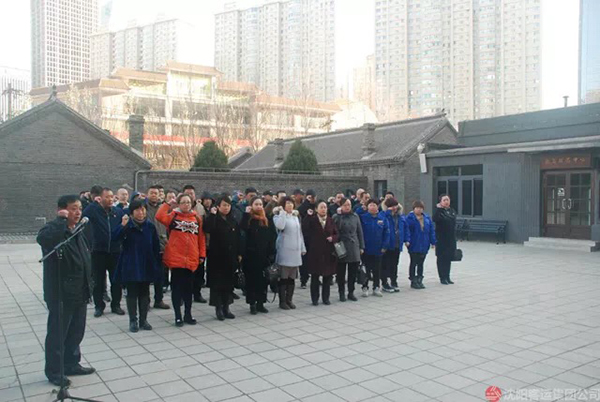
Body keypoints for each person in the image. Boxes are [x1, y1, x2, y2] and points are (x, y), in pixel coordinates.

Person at [37, 195, 96, 387]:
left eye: (79, 208)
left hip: (79, 290)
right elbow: (43, 239)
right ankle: (54, 371)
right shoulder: (55, 230)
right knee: (58, 334)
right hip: (61, 293)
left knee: (76, 331)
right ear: (62, 210)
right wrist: (60, 221)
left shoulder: (78, 230)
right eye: (73, 209)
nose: (78, 212)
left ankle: (71, 363)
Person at [156, 194, 206, 326]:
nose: (186, 205)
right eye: (183, 202)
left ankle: (188, 314)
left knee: (188, 289)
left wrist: (202, 255)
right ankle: (178, 316)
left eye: (188, 202)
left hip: (191, 258)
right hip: (176, 258)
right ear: (178, 204)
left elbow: (201, 238)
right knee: (177, 288)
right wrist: (168, 204)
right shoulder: (173, 216)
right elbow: (159, 216)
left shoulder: (196, 218)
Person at [112, 199, 161, 332]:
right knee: (132, 293)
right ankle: (133, 320)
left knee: (145, 293)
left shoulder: (150, 226)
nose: (141, 212)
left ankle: (143, 320)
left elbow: (155, 246)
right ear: (132, 212)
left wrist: (156, 263)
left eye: (143, 209)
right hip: (131, 263)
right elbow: (114, 238)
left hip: (146, 263)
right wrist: (122, 226)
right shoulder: (127, 225)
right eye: (138, 210)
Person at [83, 188, 125, 317]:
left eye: (112, 197)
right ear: (100, 198)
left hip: (115, 251)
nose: (110, 199)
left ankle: (116, 305)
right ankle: (99, 306)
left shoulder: (117, 212)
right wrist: (94, 203)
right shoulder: (94, 210)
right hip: (98, 251)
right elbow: (84, 213)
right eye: (107, 197)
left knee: (116, 280)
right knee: (98, 281)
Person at [203, 196, 242, 321]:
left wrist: (239, 253)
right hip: (217, 257)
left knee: (228, 284)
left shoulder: (233, 219)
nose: (226, 208)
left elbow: (238, 237)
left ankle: (226, 307)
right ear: (218, 206)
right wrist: (212, 215)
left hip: (230, 257)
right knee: (217, 284)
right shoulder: (214, 218)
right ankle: (218, 308)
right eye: (224, 205)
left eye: (228, 205)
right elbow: (207, 228)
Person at [240, 197, 277, 314]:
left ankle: (261, 303)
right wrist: (246, 214)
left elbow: (272, 236)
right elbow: (242, 229)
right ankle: (252, 304)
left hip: (264, 256)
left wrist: (271, 253)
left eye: (260, 204)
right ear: (251, 205)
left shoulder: (266, 219)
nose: (259, 206)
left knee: (263, 281)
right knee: (251, 281)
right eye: (256, 204)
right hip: (250, 256)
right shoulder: (249, 218)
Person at [303, 201, 339, 305]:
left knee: (327, 276)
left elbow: (337, 234)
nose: (323, 209)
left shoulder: (330, 220)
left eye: (325, 207)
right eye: (321, 207)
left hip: (328, 252)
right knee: (315, 276)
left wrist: (333, 238)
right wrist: (308, 216)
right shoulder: (312, 220)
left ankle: (326, 298)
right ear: (316, 209)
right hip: (315, 252)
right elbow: (305, 230)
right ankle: (314, 299)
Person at [273, 196, 306, 310]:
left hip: (295, 251)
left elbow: (299, 233)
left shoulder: (295, 217)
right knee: (284, 277)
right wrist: (282, 213)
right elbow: (280, 226)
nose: (290, 205)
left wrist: (302, 247)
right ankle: (282, 301)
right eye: (287, 203)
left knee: (292, 278)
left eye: (291, 203)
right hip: (285, 250)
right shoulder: (278, 216)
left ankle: (289, 299)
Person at [356, 199, 390, 297]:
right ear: (367, 207)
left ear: (377, 206)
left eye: (374, 205)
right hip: (366, 249)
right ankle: (365, 287)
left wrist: (384, 246)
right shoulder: (363, 217)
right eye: (370, 205)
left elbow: (387, 233)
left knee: (377, 269)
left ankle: (376, 287)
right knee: (366, 269)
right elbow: (359, 230)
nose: (372, 207)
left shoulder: (382, 218)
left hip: (378, 249)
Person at [333, 198, 364, 302]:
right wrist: (340, 216)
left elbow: (359, 232)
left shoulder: (355, 216)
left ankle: (351, 292)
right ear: (341, 206)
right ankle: (341, 292)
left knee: (353, 271)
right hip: (342, 245)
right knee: (341, 272)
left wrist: (361, 246)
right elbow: (335, 230)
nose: (347, 207)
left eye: (349, 205)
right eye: (345, 205)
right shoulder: (337, 217)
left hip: (353, 245)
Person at [144, 185, 170, 309]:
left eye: (156, 193)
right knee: (147, 275)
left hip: (161, 244)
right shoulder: (143, 207)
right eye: (152, 193)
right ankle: (146, 301)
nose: (154, 195)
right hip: (147, 245)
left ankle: (158, 300)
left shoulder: (163, 208)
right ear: (147, 194)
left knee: (159, 275)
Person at [381, 198, 410, 292]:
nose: (394, 208)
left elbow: (405, 228)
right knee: (385, 264)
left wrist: (407, 240)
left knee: (394, 264)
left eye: (395, 206)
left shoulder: (401, 216)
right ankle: (385, 283)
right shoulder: (384, 215)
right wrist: (388, 212)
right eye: (391, 206)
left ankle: (394, 281)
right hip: (387, 244)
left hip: (397, 243)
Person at [406, 200, 437, 289]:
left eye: (420, 208)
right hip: (414, 243)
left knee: (421, 263)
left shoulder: (427, 218)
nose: (419, 210)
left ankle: (420, 278)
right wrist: (407, 240)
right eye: (417, 208)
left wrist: (433, 242)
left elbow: (431, 231)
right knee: (413, 262)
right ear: (414, 209)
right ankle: (413, 279)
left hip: (424, 243)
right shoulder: (410, 218)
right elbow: (407, 230)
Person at [433, 194, 457, 285]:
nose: (446, 202)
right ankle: (442, 277)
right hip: (441, 239)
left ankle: (447, 276)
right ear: (440, 202)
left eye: (447, 200)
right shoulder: (438, 211)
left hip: (450, 239)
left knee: (448, 258)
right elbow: (435, 219)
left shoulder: (452, 211)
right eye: (444, 200)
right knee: (441, 258)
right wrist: (439, 209)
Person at [297, 189, 316, 288]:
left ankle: (315, 277)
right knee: (304, 259)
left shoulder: (316, 206)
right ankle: (303, 279)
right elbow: (300, 213)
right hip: (305, 236)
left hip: (315, 236)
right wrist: (307, 203)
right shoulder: (303, 207)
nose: (312, 199)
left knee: (314, 259)